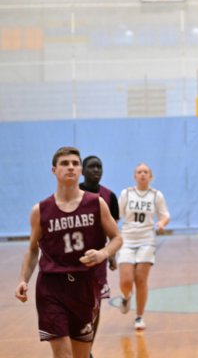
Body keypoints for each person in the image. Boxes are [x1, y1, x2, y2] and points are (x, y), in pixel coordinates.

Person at [15, 146, 122, 358]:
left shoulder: (96, 203)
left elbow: (117, 238)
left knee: (81, 355)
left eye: (75, 163)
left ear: (80, 170)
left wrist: (103, 254)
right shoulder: (41, 210)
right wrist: (23, 279)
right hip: (51, 287)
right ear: (54, 170)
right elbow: (32, 250)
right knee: (63, 354)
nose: (70, 167)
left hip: (84, 286)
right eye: (65, 164)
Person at [117, 163, 170, 331]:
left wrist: (161, 223)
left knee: (141, 279)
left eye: (146, 172)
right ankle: (126, 297)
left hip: (147, 240)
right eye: (139, 172)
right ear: (134, 176)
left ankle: (139, 317)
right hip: (127, 239)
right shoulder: (126, 193)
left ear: (150, 176)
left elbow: (165, 215)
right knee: (126, 280)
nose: (142, 174)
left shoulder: (156, 195)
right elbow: (116, 215)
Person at [79, 155, 120, 342]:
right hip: (74, 257)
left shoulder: (109, 196)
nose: (96, 170)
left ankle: (88, 347)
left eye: (99, 167)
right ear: (82, 171)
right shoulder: (73, 193)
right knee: (76, 304)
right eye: (92, 167)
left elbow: (113, 232)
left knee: (95, 305)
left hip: (98, 259)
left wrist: (111, 255)